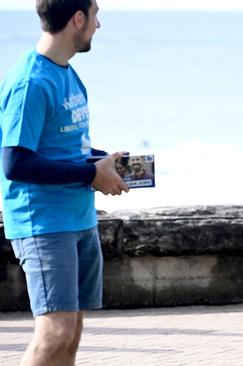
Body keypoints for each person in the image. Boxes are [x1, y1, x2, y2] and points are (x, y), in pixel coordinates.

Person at [0, 0, 129, 365]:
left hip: (78, 218)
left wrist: (104, 163)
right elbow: (15, 162)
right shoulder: (30, 82)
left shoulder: (66, 73)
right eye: (95, 15)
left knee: (70, 334)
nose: (98, 25)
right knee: (53, 334)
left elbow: (66, 147)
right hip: (43, 222)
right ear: (77, 19)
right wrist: (92, 174)